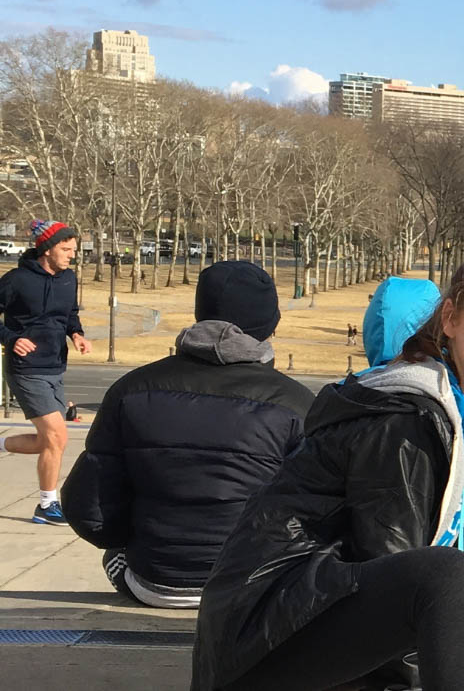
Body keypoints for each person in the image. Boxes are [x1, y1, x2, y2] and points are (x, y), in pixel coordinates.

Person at [191, 247, 464, 691]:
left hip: (343, 609)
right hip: (271, 637)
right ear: (450, 319)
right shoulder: (406, 419)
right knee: (448, 577)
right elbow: (404, 575)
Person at [61, 262, 314, 609]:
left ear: (200, 314)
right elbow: (319, 514)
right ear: (270, 324)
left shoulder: (130, 389)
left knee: (114, 555)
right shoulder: (297, 403)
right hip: (252, 586)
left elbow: (88, 507)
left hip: (155, 580)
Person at [0, 220, 91, 526]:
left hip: (55, 367)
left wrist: (76, 334)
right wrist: (11, 339)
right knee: (56, 435)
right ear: (48, 249)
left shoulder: (68, 279)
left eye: (73, 250)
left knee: (50, 441)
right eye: (66, 249)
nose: (71, 255)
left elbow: (70, 315)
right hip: (26, 369)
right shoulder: (16, 280)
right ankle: (47, 505)